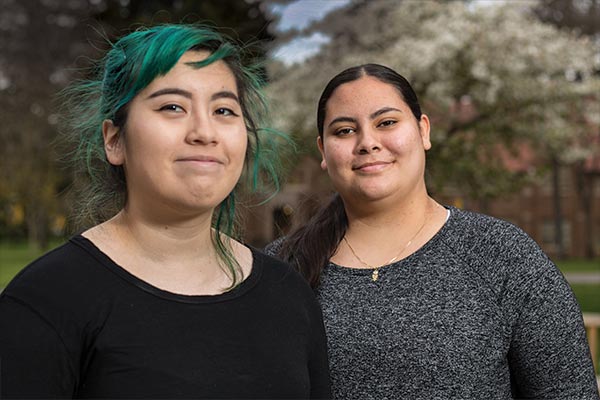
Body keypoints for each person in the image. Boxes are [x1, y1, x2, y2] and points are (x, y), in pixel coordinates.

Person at [0, 24, 331, 399]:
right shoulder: (46, 301)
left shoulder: (287, 295)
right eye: (172, 107)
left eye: (224, 110)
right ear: (114, 140)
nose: (205, 132)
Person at [266, 63, 599, 399]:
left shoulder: (504, 256)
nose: (367, 142)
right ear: (323, 151)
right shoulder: (279, 269)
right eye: (344, 131)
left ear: (423, 131)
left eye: (387, 123)